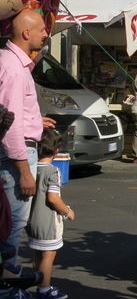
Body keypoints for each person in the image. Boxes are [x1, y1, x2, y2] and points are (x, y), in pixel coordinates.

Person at [0, 8, 55, 275]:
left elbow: (12, 113)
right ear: (25, 33)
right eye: (42, 29)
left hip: (18, 151)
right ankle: (7, 283)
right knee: (12, 224)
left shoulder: (12, 63)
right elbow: (10, 124)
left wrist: (35, 120)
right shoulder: (13, 68)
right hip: (17, 157)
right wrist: (24, 171)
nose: (46, 34)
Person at [26, 128, 72, 299]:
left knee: (38, 254)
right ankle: (44, 290)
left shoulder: (32, 168)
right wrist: (67, 211)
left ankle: (39, 283)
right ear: (56, 150)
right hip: (47, 222)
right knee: (48, 255)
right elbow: (53, 198)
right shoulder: (52, 171)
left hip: (31, 219)